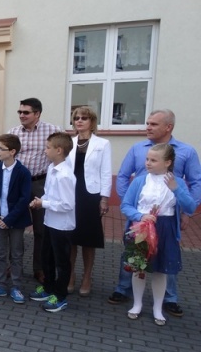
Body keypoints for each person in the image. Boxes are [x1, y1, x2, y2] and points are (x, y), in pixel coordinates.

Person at [108, 109, 201, 318]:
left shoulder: (186, 152)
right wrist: (135, 210)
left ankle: (168, 300)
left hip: (167, 222)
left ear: (168, 127)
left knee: (163, 266)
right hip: (141, 222)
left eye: (153, 124)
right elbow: (123, 178)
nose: (148, 127)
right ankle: (126, 292)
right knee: (136, 261)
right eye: (147, 123)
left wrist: (185, 209)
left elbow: (195, 184)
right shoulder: (138, 152)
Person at [121, 144, 196, 326]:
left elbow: (190, 207)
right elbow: (126, 205)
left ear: (167, 162)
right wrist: (140, 215)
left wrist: (176, 189)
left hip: (165, 228)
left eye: (153, 160)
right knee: (139, 267)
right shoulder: (140, 181)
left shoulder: (177, 182)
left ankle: (157, 307)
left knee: (160, 271)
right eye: (147, 159)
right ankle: (137, 304)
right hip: (141, 228)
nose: (148, 163)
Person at [8, 98, 61, 284]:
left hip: (40, 183)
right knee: (15, 227)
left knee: (41, 229)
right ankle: (14, 265)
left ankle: (39, 268)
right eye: (20, 112)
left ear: (37, 114)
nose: (22, 115)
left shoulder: (53, 131)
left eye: (26, 112)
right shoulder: (13, 133)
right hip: (17, 184)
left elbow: (62, 156)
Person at [28, 132, 76, 313]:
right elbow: (48, 193)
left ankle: (60, 296)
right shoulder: (51, 168)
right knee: (46, 257)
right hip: (50, 221)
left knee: (61, 262)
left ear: (59, 150)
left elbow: (67, 204)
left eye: (48, 147)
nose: (45, 150)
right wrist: (40, 200)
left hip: (62, 226)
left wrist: (44, 204)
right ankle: (48, 287)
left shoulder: (65, 175)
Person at [67, 106, 111, 297]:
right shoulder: (69, 142)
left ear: (92, 122)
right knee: (70, 237)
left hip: (90, 195)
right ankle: (70, 275)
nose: (79, 120)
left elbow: (106, 172)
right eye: (76, 118)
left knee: (88, 239)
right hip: (70, 194)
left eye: (84, 118)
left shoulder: (103, 144)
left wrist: (104, 199)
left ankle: (87, 276)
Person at [0, 134, 32, 304]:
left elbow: (24, 199)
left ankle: (16, 286)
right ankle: (0, 284)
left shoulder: (23, 172)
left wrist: (9, 219)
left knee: (16, 253)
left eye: (1, 148)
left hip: (16, 220)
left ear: (12, 152)